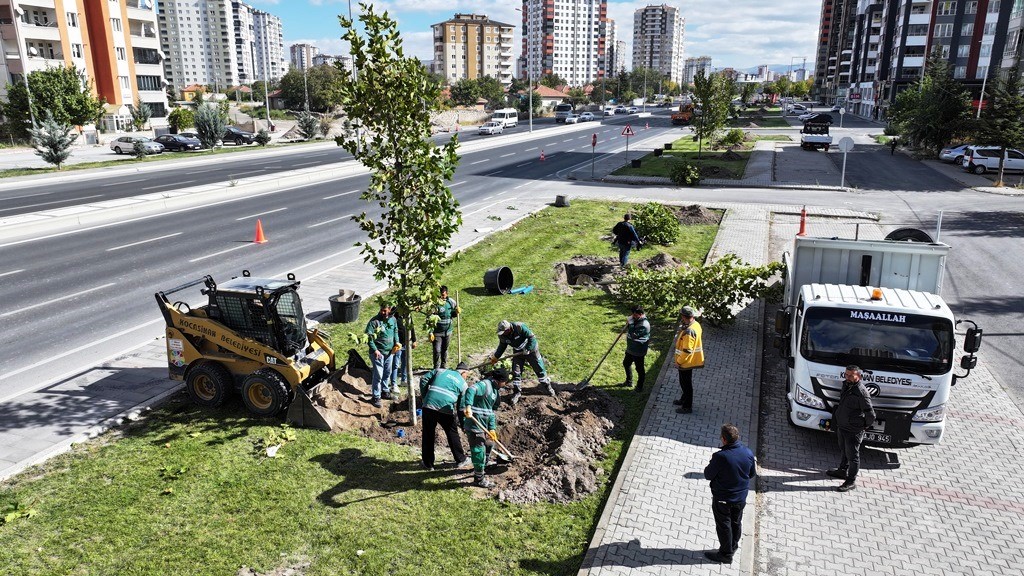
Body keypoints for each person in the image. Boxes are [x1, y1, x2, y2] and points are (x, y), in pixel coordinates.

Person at [703, 424, 756, 564]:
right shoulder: (748, 453)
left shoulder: (720, 457)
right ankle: (733, 546)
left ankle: (726, 554)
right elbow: (751, 474)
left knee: (724, 525)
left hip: (723, 499)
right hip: (740, 498)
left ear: (724, 439)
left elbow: (708, 474)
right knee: (736, 521)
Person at [827, 365, 876, 492]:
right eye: (846, 374)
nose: (847, 377)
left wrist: (863, 426)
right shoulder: (847, 385)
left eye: (850, 375)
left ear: (858, 376)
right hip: (842, 425)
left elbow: (871, 414)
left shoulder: (861, 392)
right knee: (843, 449)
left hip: (853, 429)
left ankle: (851, 481)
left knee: (853, 455)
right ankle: (842, 470)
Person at [463, 367, 510, 488]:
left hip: (484, 424)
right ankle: (479, 478)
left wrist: (492, 429)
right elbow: (471, 390)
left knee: (489, 443)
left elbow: (491, 413)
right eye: (505, 381)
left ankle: (483, 466)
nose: (505, 384)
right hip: (474, 424)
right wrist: (468, 406)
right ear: (500, 380)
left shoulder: (495, 392)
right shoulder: (485, 385)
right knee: (479, 450)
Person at [419, 363, 471, 471]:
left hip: (429, 405)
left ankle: (428, 464)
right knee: (452, 433)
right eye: (467, 375)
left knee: (428, 433)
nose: (467, 378)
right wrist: (463, 424)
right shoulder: (463, 384)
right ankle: (461, 459)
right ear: (464, 372)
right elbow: (461, 408)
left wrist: (425, 397)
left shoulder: (440, 371)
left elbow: (424, 379)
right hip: (445, 410)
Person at [491, 320, 554, 404]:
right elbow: (502, 346)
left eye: (503, 332)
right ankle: (517, 392)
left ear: (508, 329)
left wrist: (528, 348)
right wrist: (496, 357)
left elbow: (532, 338)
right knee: (516, 372)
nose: (502, 334)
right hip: (518, 352)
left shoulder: (519, 327)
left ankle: (548, 387)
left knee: (539, 368)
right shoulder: (503, 336)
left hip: (531, 350)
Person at [365, 301, 399, 408]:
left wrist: (397, 343)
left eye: (385, 310)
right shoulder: (374, 322)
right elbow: (368, 337)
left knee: (387, 373)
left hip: (390, 352)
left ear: (389, 310)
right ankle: (376, 396)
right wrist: (375, 350)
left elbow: (396, 331)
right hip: (377, 353)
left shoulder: (393, 320)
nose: (383, 312)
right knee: (378, 374)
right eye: (382, 310)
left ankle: (385, 391)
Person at [673, 306, 704, 414]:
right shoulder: (695, 325)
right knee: (685, 383)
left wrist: (678, 362)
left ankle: (687, 407)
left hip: (686, 362)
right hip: (690, 361)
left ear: (683, 316)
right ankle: (683, 400)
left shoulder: (689, 331)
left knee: (686, 384)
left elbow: (687, 350)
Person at [430, 285, 460, 369]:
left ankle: (443, 366)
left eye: (443, 295)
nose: (442, 297)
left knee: (444, 349)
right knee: (437, 350)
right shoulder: (436, 304)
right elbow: (430, 318)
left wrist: (456, 312)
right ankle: (436, 367)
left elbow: (452, 314)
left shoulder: (451, 302)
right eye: (440, 295)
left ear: (446, 294)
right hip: (437, 332)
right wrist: (430, 332)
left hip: (448, 331)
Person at [622, 306, 651, 390]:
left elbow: (633, 335)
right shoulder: (636, 320)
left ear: (641, 314)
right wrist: (629, 322)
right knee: (626, 363)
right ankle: (629, 381)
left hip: (638, 350)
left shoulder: (644, 325)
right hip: (631, 348)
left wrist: (630, 323)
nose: (633, 316)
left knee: (639, 369)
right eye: (632, 314)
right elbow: (630, 328)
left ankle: (639, 386)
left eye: (634, 315)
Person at [388, 311, 417, 394]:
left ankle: (404, 380)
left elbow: (411, 327)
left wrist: (414, 340)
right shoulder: (394, 317)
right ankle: (393, 383)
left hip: (406, 342)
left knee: (405, 361)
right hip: (397, 344)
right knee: (396, 364)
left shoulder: (407, 314)